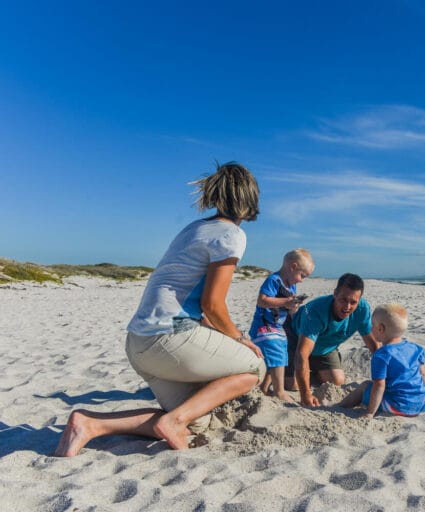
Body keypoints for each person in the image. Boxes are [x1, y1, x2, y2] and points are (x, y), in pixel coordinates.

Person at [54, 162, 266, 456]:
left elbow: (196, 304)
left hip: (138, 342)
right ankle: (173, 421)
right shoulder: (231, 234)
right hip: (169, 338)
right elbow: (212, 305)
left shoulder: (194, 229)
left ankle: (90, 424)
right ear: (249, 198)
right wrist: (241, 339)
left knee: (197, 422)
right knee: (254, 366)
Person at [287, 273, 380, 407]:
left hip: (325, 348)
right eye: (343, 300)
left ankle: (310, 370)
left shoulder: (362, 309)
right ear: (335, 293)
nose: (347, 306)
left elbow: (374, 346)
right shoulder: (316, 311)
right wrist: (305, 394)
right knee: (293, 385)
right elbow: (302, 353)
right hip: (296, 340)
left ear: (359, 300)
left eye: (353, 302)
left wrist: (385, 380)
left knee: (338, 381)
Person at [338, 303, 425, 418]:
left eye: (372, 325)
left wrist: (370, 412)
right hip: (420, 404)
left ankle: (340, 406)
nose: (371, 328)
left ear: (380, 329)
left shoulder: (382, 355)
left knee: (366, 386)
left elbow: (379, 385)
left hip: (397, 406)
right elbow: (423, 374)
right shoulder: (416, 348)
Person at [248, 248, 314, 401]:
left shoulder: (291, 285)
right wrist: (286, 302)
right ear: (293, 267)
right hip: (264, 326)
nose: (302, 280)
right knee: (276, 352)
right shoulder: (274, 280)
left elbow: (288, 307)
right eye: (302, 275)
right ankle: (280, 391)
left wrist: (293, 306)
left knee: (281, 354)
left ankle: (264, 387)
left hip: (277, 327)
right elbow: (262, 300)